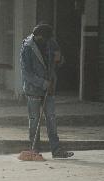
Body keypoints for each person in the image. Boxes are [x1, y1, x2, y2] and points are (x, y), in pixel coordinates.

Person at [20, 23, 74, 158]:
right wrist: (44, 84)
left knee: (51, 119)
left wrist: (59, 59)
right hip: (34, 90)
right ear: (38, 36)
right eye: (45, 39)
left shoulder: (51, 42)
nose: (48, 41)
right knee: (34, 120)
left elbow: (59, 61)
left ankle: (56, 150)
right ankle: (35, 151)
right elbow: (27, 73)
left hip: (49, 89)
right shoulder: (27, 48)